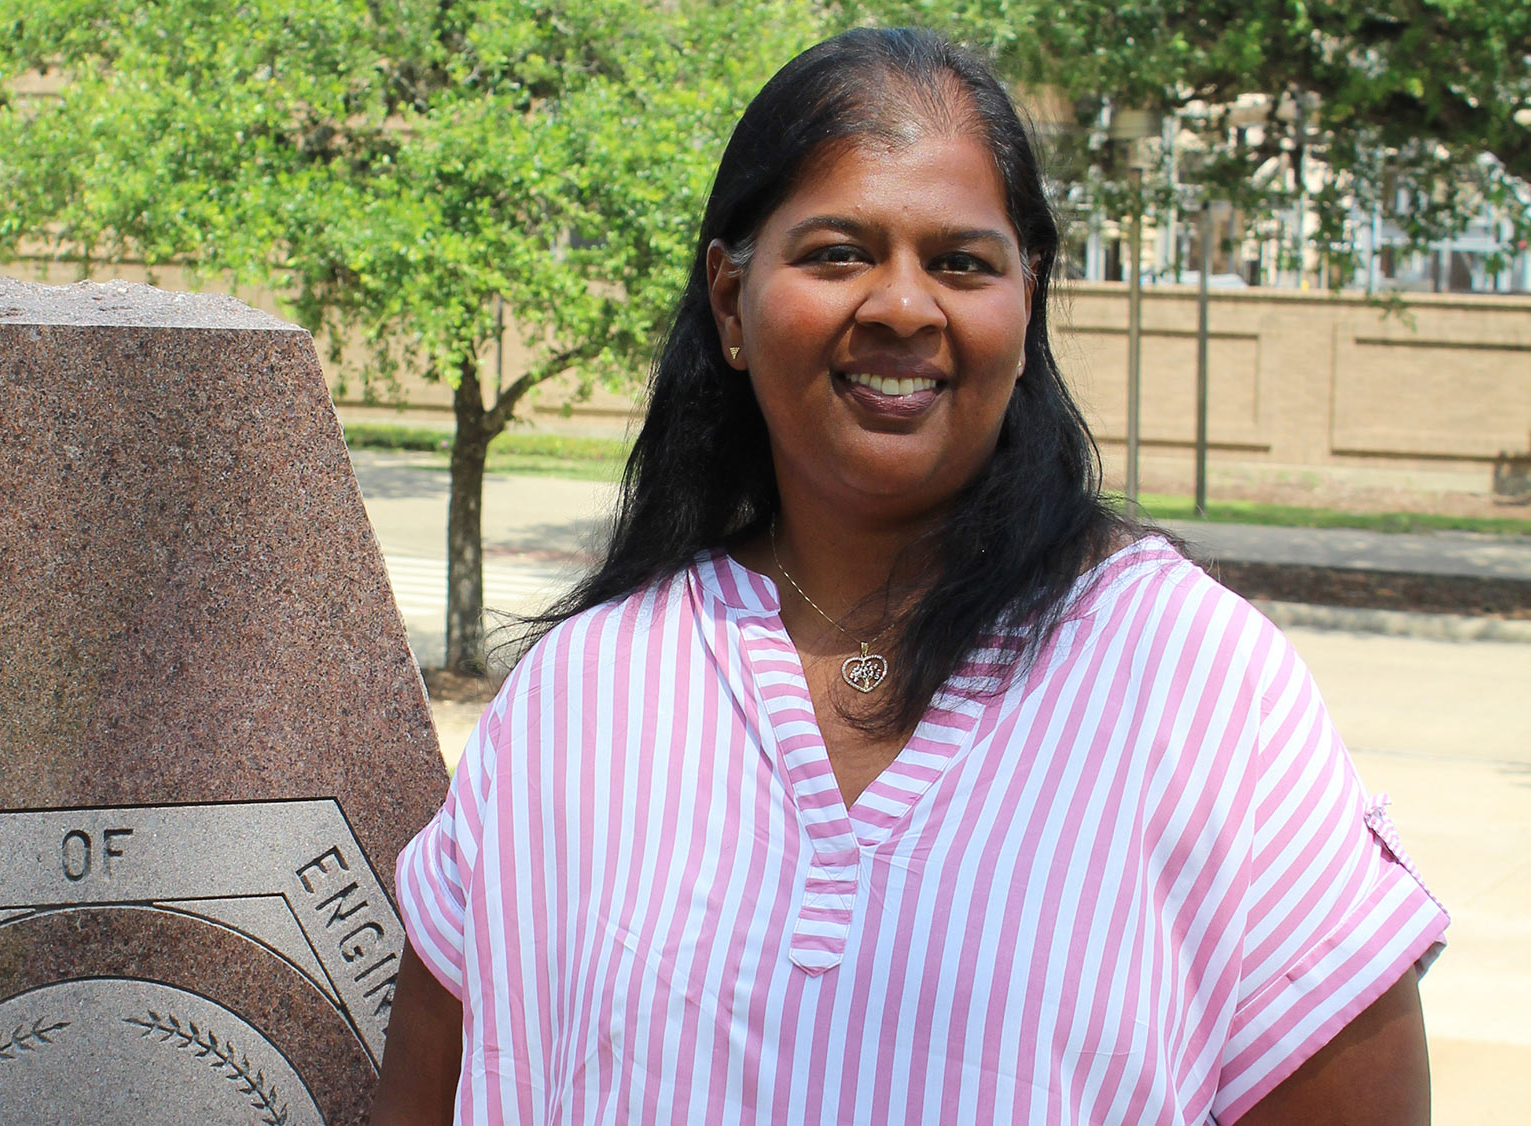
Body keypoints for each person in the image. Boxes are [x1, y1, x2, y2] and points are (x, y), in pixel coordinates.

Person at [372, 27, 1448, 1125]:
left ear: (1027, 304)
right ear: (729, 300)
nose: (899, 306)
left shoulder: (1197, 685)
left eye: (960, 262)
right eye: (836, 252)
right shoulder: (580, 697)